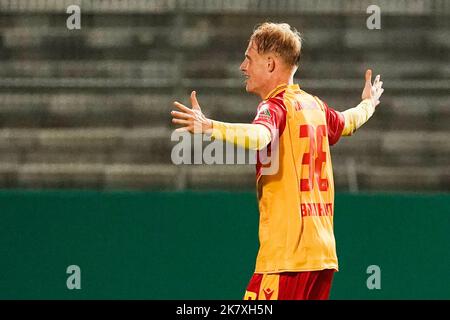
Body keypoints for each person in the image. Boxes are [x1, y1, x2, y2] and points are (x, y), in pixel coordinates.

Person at [171, 22, 384, 300]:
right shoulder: (315, 106)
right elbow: (348, 121)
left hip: (287, 259)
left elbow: (261, 136)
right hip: (321, 257)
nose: (242, 66)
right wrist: (368, 103)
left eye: (249, 58)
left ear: (270, 64)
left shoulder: (275, 107)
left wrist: (210, 126)